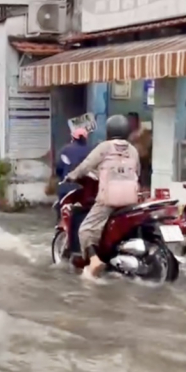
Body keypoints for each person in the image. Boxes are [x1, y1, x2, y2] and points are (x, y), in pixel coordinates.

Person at [66, 115, 140, 277]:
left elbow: (86, 166)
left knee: (85, 230)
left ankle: (94, 261)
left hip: (109, 198)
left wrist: (72, 175)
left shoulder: (104, 147)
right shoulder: (133, 150)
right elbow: (138, 172)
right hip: (131, 198)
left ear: (109, 130)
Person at [55, 127, 91, 218]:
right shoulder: (91, 150)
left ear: (73, 138)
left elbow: (59, 168)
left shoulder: (65, 150)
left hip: (67, 187)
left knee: (62, 210)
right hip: (86, 189)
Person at [127, 112, 152, 189]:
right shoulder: (127, 133)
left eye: (132, 120)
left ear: (137, 121)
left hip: (143, 161)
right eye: (129, 121)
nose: (130, 123)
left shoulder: (144, 132)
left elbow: (147, 146)